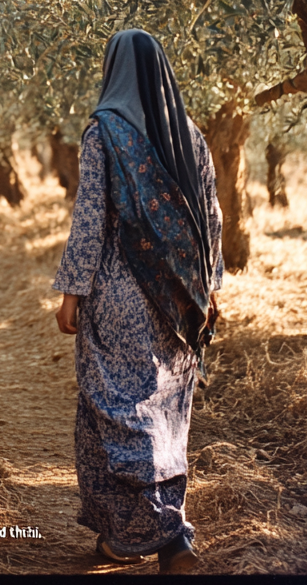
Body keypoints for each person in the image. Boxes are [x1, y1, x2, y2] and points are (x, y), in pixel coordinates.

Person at [52, 29, 223, 574]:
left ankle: (163, 534)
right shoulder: (190, 135)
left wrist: (72, 291)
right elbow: (211, 220)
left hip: (119, 293)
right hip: (178, 301)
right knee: (164, 413)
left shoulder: (104, 132)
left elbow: (90, 217)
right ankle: (139, 536)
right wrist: (211, 287)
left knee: (117, 411)